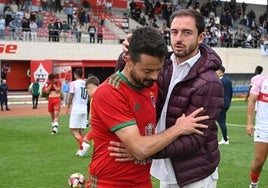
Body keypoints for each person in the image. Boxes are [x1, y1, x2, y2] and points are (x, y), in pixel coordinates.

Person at [86, 26, 210, 188]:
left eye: (158, 70)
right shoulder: (109, 92)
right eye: (147, 71)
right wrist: (179, 129)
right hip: (109, 183)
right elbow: (139, 149)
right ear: (128, 60)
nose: (154, 76)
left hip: (142, 181)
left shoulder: (151, 85)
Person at [113, 9, 224, 188]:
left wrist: (144, 151)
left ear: (201, 37)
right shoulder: (163, 64)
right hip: (165, 169)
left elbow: (195, 140)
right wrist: (127, 54)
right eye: (174, 32)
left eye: (187, 32)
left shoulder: (210, 82)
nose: (178, 38)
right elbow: (128, 85)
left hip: (194, 174)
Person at [246, 74, 268, 188]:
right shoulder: (261, 80)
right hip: (263, 127)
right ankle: (254, 183)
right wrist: (249, 123)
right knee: (259, 161)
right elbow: (251, 102)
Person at [66, 68, 90, 157]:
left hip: (76, 108)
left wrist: (68, 107)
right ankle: (82, 150)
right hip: (84, 108)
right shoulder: (86, 83)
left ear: (75, 74)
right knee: (81, 130)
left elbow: (71, 94)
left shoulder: (74, 83)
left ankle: (83, 144)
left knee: (72, 129)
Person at [216, 65, 233, 145]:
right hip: (226, 103)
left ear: (220, 71)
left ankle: (225, 139)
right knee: (222, 120)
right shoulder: (228, 80)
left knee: (221, 121)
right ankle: (225, 136)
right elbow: (231, 93)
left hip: (221, 104)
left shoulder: (220, 81)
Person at [82, 75, 100, 144]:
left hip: (100, 134)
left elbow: (100, 122)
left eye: (87, 90)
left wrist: (89, 136)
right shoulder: (95, 98)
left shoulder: (97, 99)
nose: (87, 93)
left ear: (89, 88)